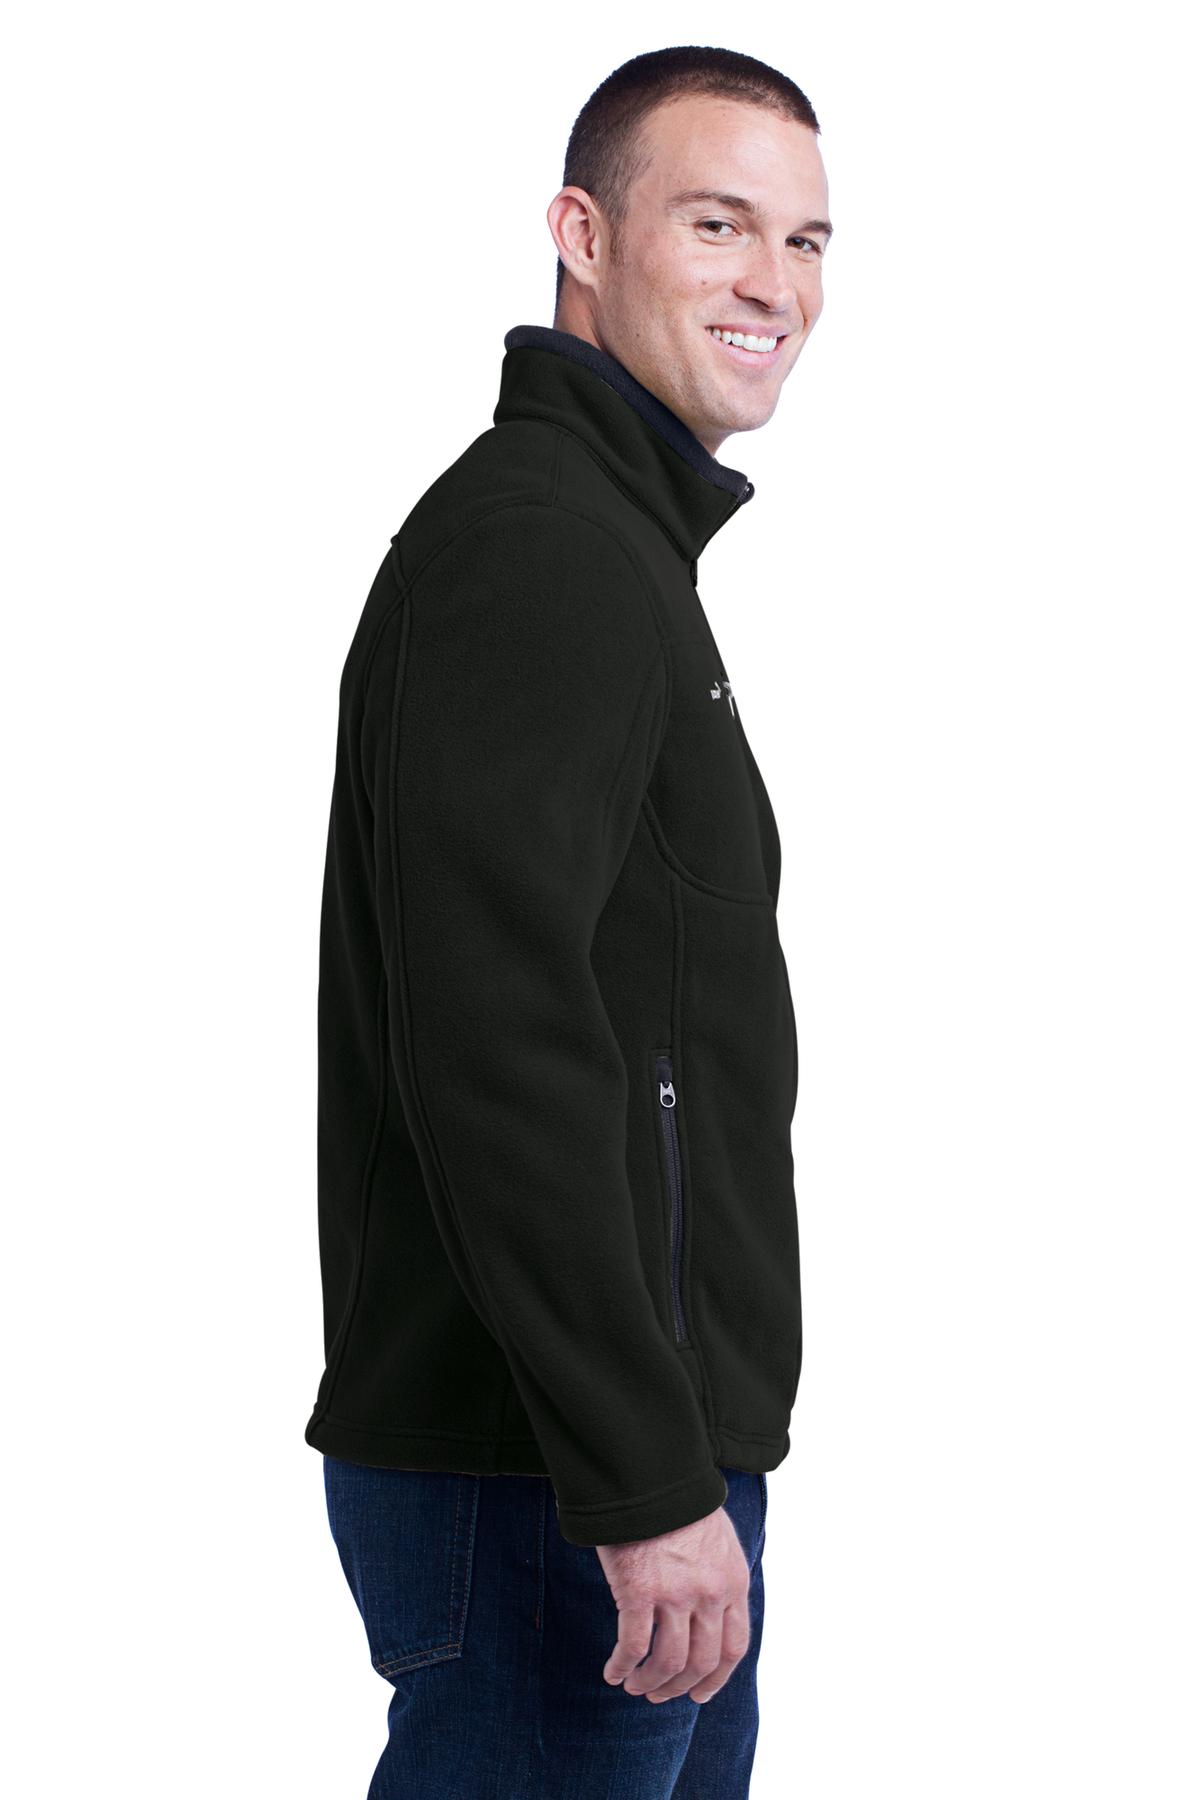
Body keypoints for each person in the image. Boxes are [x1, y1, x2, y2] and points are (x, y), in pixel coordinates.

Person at [306, 43, 831, 1799]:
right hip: (555, 1484)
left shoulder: (614, 552)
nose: (775, 284)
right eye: (719, 223)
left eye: (808, 241)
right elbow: (500, 1046)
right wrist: (641, 1476)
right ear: (582, 236)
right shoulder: (544, 551)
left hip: (609, 1467)